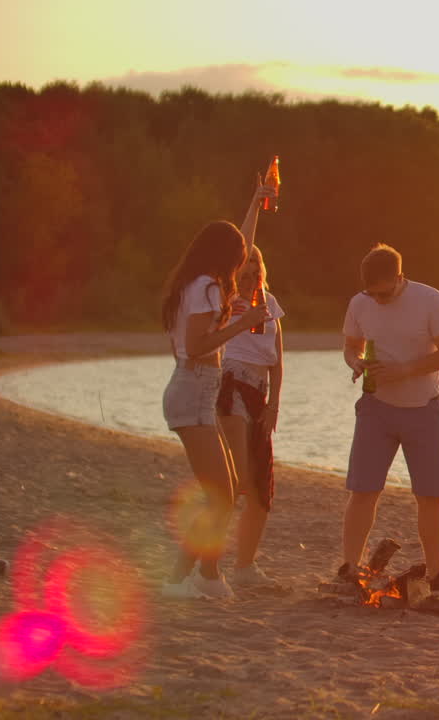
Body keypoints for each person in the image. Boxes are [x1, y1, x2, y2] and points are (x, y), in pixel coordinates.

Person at [159, 181, 274, 599]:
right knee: (222, 495)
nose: (244, 261)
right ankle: (192, 580)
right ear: (226, 258)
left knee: (224, 491)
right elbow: (196, 347)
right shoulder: (207, 287)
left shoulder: (199, 281)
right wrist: (242, 323)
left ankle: (195, 578)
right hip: (193, 390)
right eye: (239, 257)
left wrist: (255, 202)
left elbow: (243, 241)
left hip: (199, 392)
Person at [334, 244, 439, 592]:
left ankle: (437, 573)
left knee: (430, 496)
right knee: (362, 490)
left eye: (383, 292)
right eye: (371, 292)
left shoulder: (431, 299)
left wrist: (405, 370)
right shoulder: (359, 303)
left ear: (399, 277)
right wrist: (356, 362)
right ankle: (350, 567)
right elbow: (352, 345)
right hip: (375, 409)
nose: (377, 299)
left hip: (424, 409)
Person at [218, 243, 284, 588]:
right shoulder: (226, 299)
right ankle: (206, 563)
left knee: (261, 489)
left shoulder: (269, 303)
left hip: (260, 394)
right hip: (230, 385)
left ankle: (244, 567)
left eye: (257, 261)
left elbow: (277, 359)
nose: (252, 268)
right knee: (236, 479)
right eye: (246, 263)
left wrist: (274, 404)